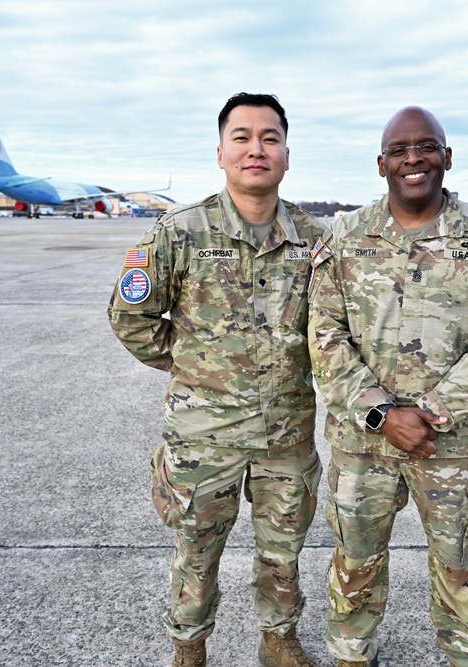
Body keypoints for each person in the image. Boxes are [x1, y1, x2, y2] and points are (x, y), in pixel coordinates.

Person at [307, 106, 468, 667]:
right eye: (400, 150)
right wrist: (384, 413)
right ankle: (353, 656)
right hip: (364, 442)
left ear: (447, 157)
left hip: (452, 443)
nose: (414, 158)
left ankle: (465, 657)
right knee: (354, 560)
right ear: (381, 163)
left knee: (460, 564)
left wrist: (430, 411)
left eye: (427, 146)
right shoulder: (346, 236)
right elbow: (324, 331)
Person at [107, 93, 323, 667]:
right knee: (196, 554)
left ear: (286, 153)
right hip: (204, 437)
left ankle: (278, 639)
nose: (257, 149)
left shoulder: (314, 237)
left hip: (288, 436)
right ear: (221, 151)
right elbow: (130, 317)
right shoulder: (179, 231)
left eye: (270, 138)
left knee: (283, 552)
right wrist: (191, 368)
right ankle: (188, 648)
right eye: (243, 137)